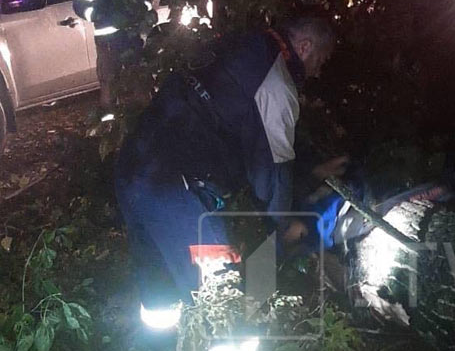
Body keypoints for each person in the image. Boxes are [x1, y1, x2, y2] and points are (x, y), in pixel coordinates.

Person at [114, 17, 346, 317]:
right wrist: (286, 229)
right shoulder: (276, 84)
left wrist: (310, 169)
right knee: (224, 306)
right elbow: (272, 180)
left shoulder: (242, 43)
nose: (318, 71)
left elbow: (246, 130)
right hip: (177, 192)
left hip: (133, 169)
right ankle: (232, 350)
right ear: (305, 46)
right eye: (321, 60)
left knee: (161, 289)